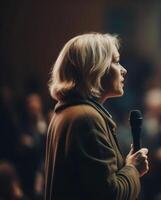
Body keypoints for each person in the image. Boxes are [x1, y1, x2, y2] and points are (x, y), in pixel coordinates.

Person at [44, 33, 149, 200]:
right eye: (115, 61)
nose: (124, 70)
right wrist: (133, 169)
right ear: (95, 68)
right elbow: (109, 194)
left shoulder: (70, 111)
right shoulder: (86, 118)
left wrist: (128, 167)